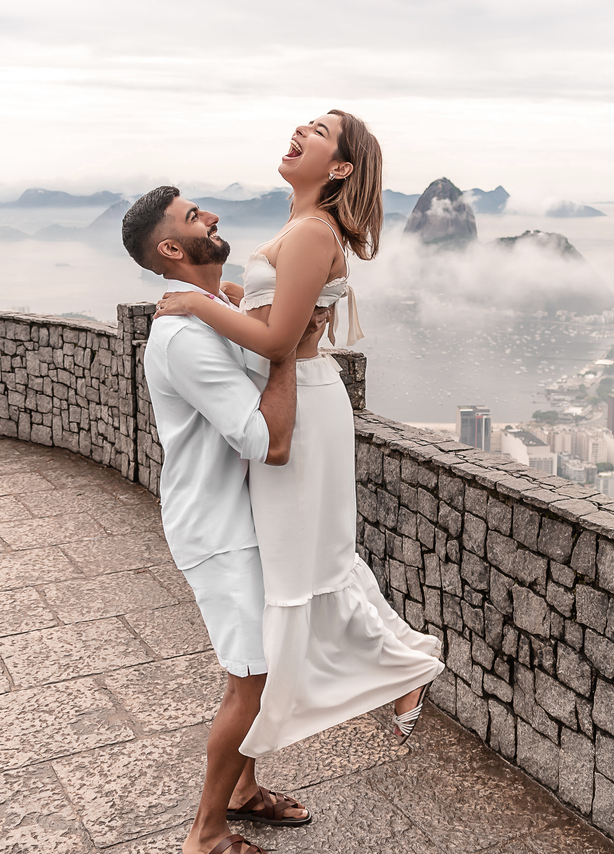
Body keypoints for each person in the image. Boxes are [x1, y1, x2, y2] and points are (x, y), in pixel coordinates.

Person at [152, 110, 444, 759]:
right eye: (306, 121)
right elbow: (275, 313)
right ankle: (400, 668)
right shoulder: (304, 224)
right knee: (317, 560)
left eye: (319, 130)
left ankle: (397, 670)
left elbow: (281, 341)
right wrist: (229, 295)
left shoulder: (313, 231)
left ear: (339, 166)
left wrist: (198, 304)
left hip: (304, 409)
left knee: (298, 568)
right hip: (307, 401)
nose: (301, 130)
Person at [123, 187, 328, 854]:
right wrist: (288, 350)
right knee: (251, 681)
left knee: (254, 667)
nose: (210, 213)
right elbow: (263, 439)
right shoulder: (184, 335)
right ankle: (205, 834)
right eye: (192, 217)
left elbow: (250, 318)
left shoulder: (213, 308)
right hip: (217, 530)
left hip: (243, 520)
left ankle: (241, 791)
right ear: (173, 250)